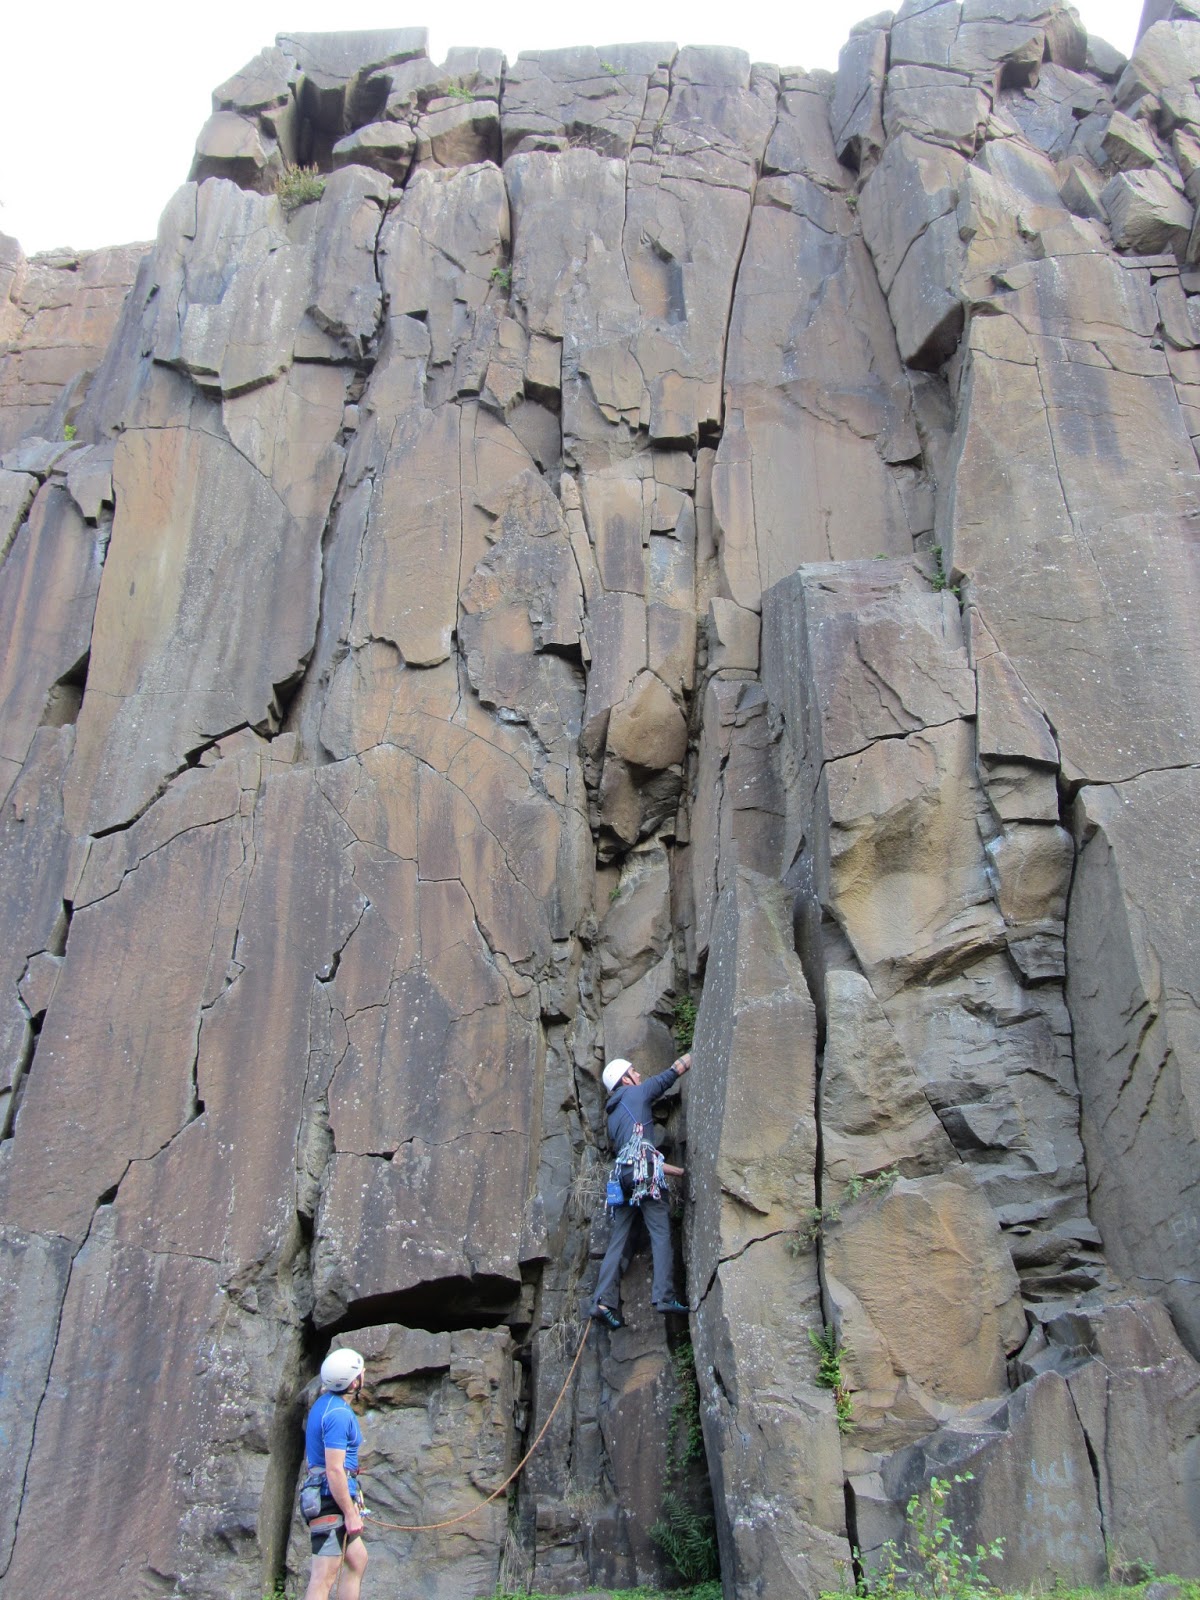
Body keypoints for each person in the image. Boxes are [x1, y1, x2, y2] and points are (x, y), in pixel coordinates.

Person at [592, 1051, 692, 1328]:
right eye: (634, 1072)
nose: (639, 1076)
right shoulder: (636, 1094)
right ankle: (664, 1296)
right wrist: (702, 1049)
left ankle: (602, 1301)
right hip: (642, 1171)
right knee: (659, 1228)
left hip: (622, 1176)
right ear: (625, 1080)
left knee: (619, 1238)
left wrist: (680, 1172)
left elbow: (640, 1156)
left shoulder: (612, 1116)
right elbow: (672, 1073)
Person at [301, 1347, 369, 1600]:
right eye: (362, 1372)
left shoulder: (326, 1402)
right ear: (354, 1383)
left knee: (357, 1559)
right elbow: (334, 1469)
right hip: (329, 1499)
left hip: (330, 1495)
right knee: (324, 1576)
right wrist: (351, 1514)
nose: (365, 1374)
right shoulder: (339, 1415)